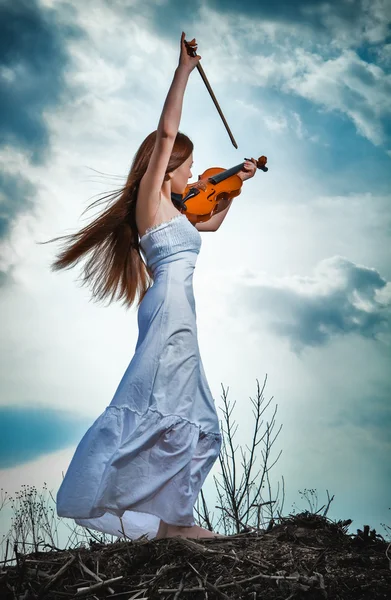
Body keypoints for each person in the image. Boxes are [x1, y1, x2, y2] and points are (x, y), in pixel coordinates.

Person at [51, 33, 257, 540]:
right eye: (187, 164)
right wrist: (183, 71)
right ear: (167, 166)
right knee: (161, 404)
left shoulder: (182, 214)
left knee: (193, 412)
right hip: (167, 308)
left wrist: (237, 185)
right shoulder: (151, 205)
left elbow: (209, 226)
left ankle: (173, 521)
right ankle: (171, 523)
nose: (193, 171)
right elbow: (165, 133)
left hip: (180, 309)